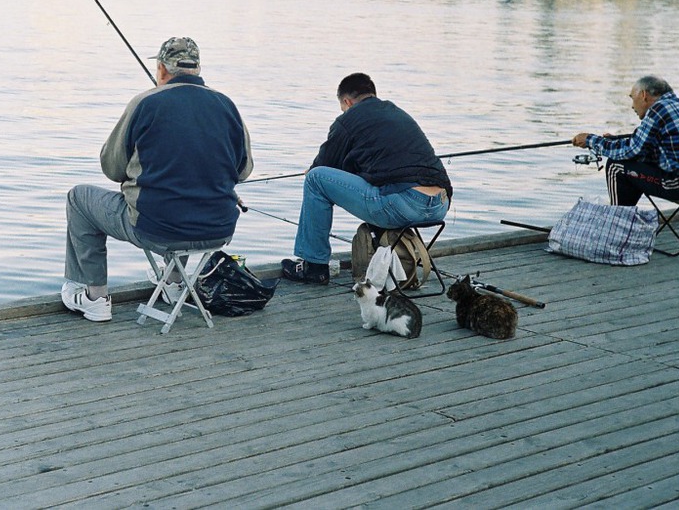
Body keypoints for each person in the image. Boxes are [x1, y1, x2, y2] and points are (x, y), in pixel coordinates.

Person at [62, 37, 254, 322]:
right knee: (188, 193)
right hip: (218, 230)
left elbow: (111, 168)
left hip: (155, 231)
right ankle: (174, 283)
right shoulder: (228, 105)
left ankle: (95, 298)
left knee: (79, 198)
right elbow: (244, 170)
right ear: (198, 69)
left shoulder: (145, 102)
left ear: (161, 69)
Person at [281, 72, 452, 284]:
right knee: (384, 187)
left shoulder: (348, 119)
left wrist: (311, 170)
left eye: (342, 107)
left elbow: (325, 166)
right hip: (439, 206)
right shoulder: (396, 112)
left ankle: (314, 266)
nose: (343, 111)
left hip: (402, 205)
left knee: (315, 179)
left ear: (346, 101)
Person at [572, 75, 679, 206]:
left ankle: (617, 222)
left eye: (632, 98)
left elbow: (633, 150)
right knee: (628, 161)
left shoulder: (658, 109)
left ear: (644, 95)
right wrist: (612, 143)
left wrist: (589, 140)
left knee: (616, 165)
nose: (632, 106)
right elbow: (644, 146)